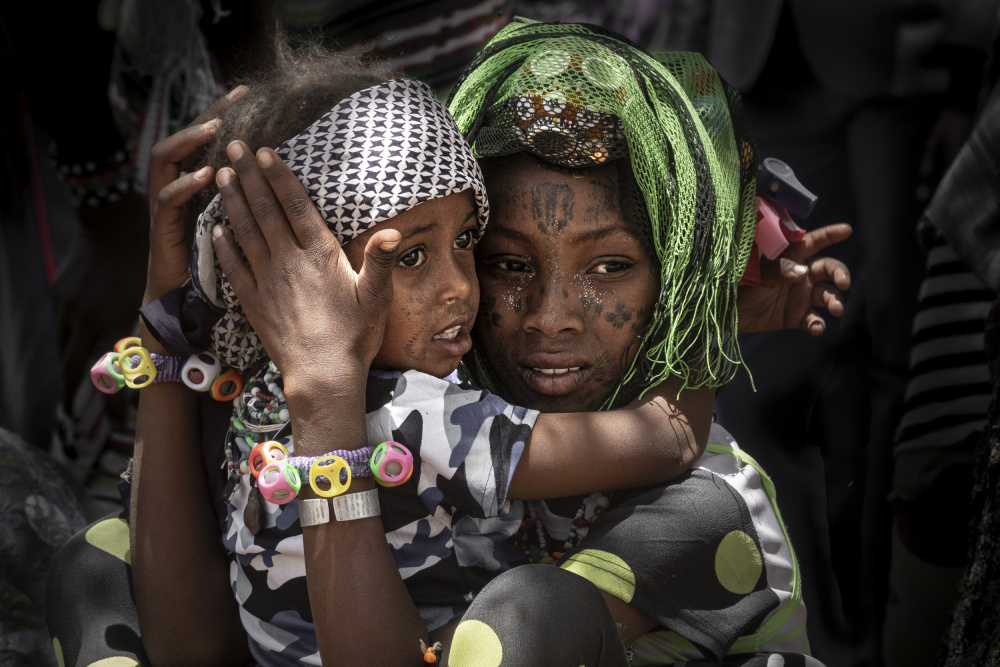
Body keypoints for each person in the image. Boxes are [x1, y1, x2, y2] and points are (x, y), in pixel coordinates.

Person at [206, 18, 851, 665]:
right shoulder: (394, 410)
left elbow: (670, 441)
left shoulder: (703, 506)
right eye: (509, 264)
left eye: (608, 267)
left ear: (674, 277)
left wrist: (702, 307)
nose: (549, 316)